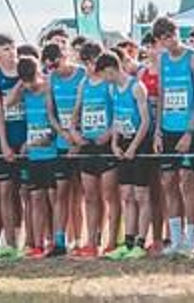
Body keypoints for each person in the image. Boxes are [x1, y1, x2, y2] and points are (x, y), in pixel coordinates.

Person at [152, 17, 194, 257]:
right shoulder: (162, 59)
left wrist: (189, 132)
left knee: (187, 181)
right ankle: (175, 239)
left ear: (177, 33)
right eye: (163, 37)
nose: (169, 40)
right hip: (167, 127)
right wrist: (157, 130)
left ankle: (190, 239)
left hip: (190, 129)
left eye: (171, 34)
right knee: (168, 182)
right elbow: (162, 94)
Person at [4, 55, 69, 258]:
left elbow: (51, 115)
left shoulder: (48, 88)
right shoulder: (24, 89)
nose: (30, 85)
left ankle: (58, 241)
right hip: (34, 154)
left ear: (37, 74)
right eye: (26, 81)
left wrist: (61, 134)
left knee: (55, 196)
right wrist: (20, 83)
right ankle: (37, 244)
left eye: (31, 80)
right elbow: (7, 102)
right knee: (35, 197)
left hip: (51, 151)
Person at [105, 47, 154, 260]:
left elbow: (145, 121)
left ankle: (141, 242)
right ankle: (128, 240)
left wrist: (134, 146)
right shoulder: (113, 89)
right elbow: (116, 118)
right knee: (126, 195)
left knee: (141, 195)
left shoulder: (137, 87)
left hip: (140, 144)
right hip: (123, 143)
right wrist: (115, 143)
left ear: (111, 69)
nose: (104, 79)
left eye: (105, 74)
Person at [73, 50, 120, 258]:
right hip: (88, 145)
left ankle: (112, 241)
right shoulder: (83, 84)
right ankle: (91, 241)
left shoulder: (109, 84)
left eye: (92, 62)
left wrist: (110, 133)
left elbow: (121, 111)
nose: (90, 67)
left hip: (107, 145)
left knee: (110, 195)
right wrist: (74, 133)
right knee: (90, 196)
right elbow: (76, 113)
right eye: (86, 63)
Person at [42, 43, 86, 253]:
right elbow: (51, 113)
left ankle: (80, 239)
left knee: (82, 194)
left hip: (82, 141)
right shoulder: (51, 79)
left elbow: (92, 107)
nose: (54, 70)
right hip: (63, 143)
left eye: (56, 64)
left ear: (65, 56)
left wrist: (77, 139)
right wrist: (63, 133)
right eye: (49, 67)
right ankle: (60, 241)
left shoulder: (82, 74)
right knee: (62, 193)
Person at [0, 34, 26, 259]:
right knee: (5, 191)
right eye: (5, 49)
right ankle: (10, 244)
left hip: (27, 137)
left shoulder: (25, 70)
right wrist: (3, 143)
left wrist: (28, 141)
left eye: (12, 48)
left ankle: (24, 241)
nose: (10, 53)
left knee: (25, 194)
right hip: (8, 138)